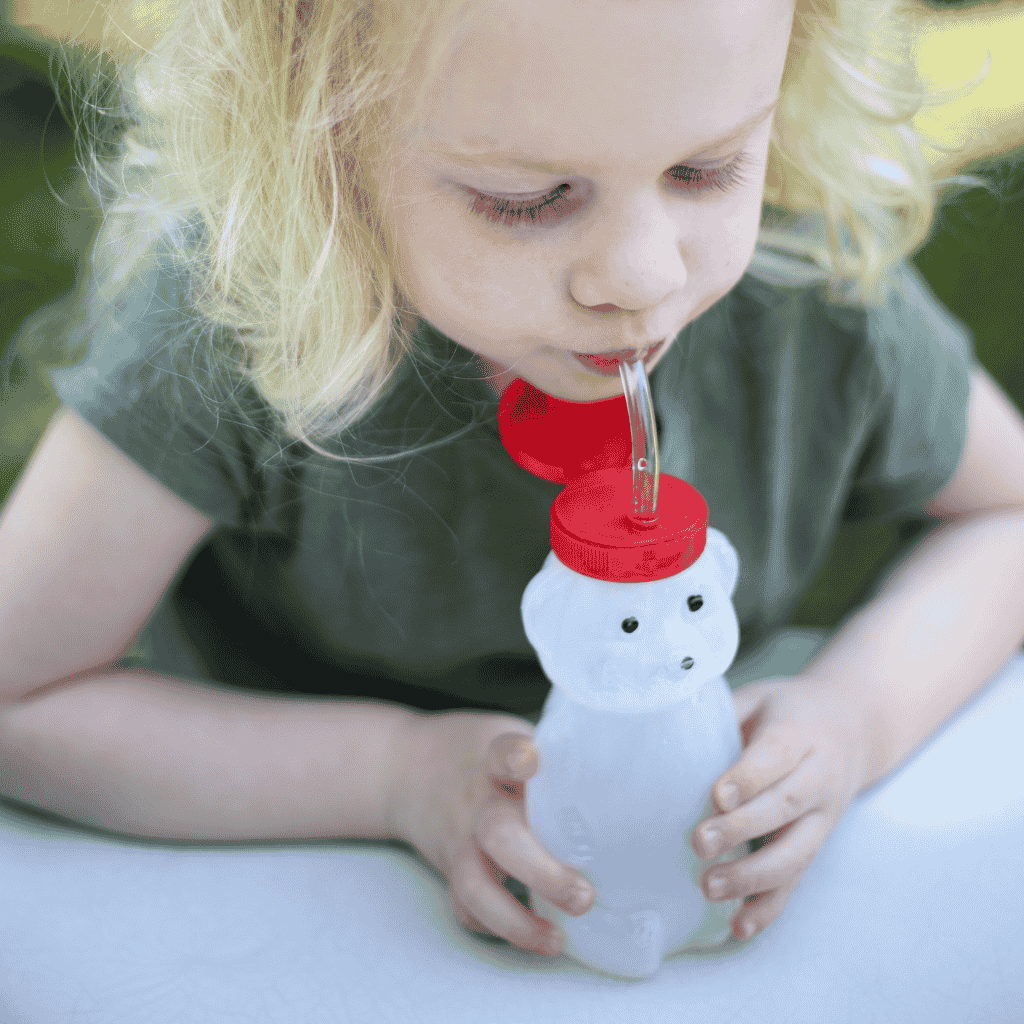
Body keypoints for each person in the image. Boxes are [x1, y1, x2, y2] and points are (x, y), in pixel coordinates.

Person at [3, 0, 1024, 963]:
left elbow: (1008, 515)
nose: (641, 274)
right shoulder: (242, 317)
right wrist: (394, 777)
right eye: (528, 199)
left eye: (706, 169)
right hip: (304, 940)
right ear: (320, 143)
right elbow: (21, 692)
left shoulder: (812, 286)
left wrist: (854, 714)